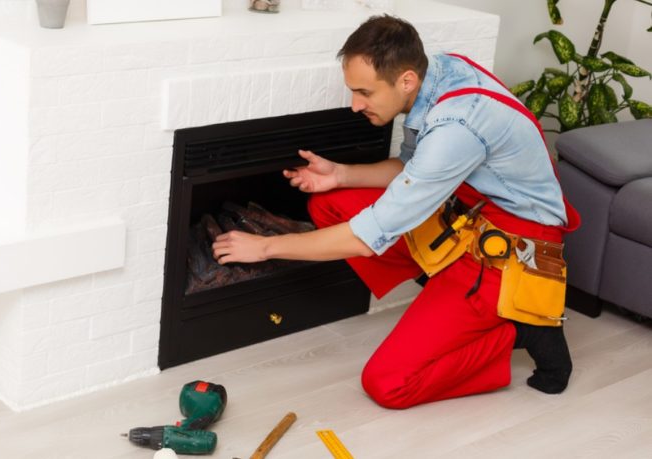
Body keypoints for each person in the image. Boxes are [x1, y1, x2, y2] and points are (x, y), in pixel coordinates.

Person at [211, 15, 580, 409]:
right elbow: (413, 169)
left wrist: (266, 247)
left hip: (508, 251)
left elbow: (366, 237)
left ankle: (519, 330)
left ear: (405, 80)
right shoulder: (436, 73)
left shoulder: (457, 125)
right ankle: (446, 296)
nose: (355, 105)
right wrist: (340, 174)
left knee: (388, 383)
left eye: (364, 92)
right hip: (466, 216)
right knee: (330, 203)